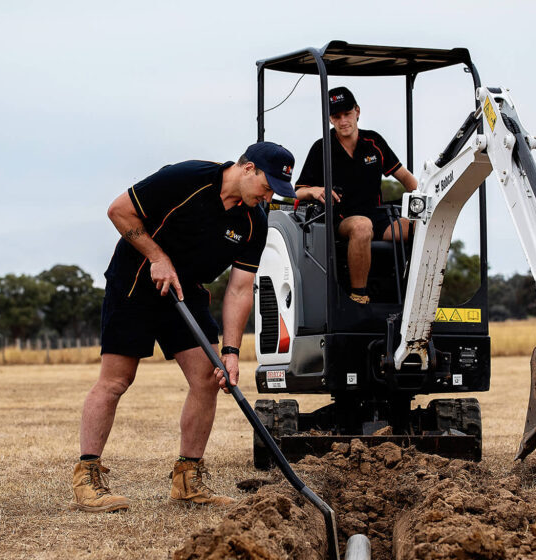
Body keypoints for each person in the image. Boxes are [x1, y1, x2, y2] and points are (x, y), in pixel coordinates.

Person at [72, 142, 296, 513]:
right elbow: (119, 211)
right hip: (136, 280)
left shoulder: (255, 220)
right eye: (267, 185)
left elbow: (240, 290)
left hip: (185, 292)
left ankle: (187, 479)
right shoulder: (188, 177)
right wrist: (158, 257)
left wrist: (232, 352)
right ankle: (88, 477)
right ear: (248, 168)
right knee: (116, 380)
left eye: (275, 191)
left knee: (209, 377)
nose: (268, 195)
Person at [294, 86, 419, 304]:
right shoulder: (321, 148)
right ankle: (359, 296)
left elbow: (409, 181)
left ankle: (417, 295)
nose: (343, 121)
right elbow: (298, 190)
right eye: (337, 116)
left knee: (425, 227)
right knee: (362, 226)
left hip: (378, 217)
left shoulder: (374, 143)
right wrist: (314, 191)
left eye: (347, 114)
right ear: (330, 119)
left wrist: (425, 208)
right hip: (341, 220)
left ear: (357, 112)